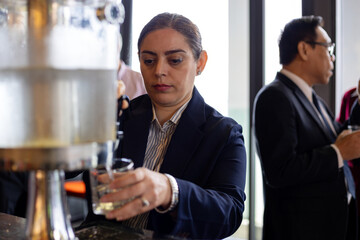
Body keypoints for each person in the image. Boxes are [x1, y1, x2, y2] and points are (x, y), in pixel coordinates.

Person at [90, 12, 247, 239]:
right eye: (149, 60)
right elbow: (68, 168)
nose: (159, 71)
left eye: (174, 60)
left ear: (200, 62)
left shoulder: (224, 133)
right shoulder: (120, 114)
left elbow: (229, 213)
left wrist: (170, 191)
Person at [253, 16, 360, 240]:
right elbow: (280, 171)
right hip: (300, 232)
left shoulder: (312, 98)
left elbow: (341, 134)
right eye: (328, 48)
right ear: (304, 49)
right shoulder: (274, 97)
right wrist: (338, 153)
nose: (333, 57)